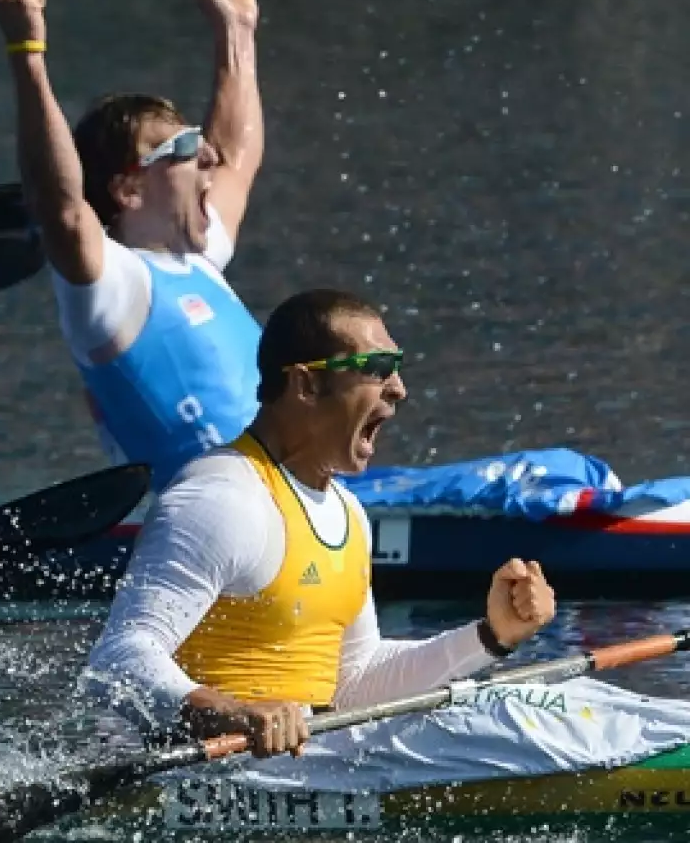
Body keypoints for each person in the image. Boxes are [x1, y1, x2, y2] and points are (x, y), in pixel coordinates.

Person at [83, 289, 558, 756]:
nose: (399, 388)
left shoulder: (347, 511)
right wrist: (228, 710)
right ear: (307, 385)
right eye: (375, 369)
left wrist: (492, 635)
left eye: (396, 368)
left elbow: (353, 681)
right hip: (204, 769)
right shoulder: (222, 500)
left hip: (304, 762)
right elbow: (117, 660)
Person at [0, 0, 265, 491]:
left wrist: (236, 31)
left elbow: (237, 154)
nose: (206, 154)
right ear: (128, 190)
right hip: (204, 524)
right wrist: (27, 55)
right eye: (183, 147)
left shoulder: (200, 260)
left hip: (289, 504)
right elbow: (61, 207)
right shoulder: (113, 289)